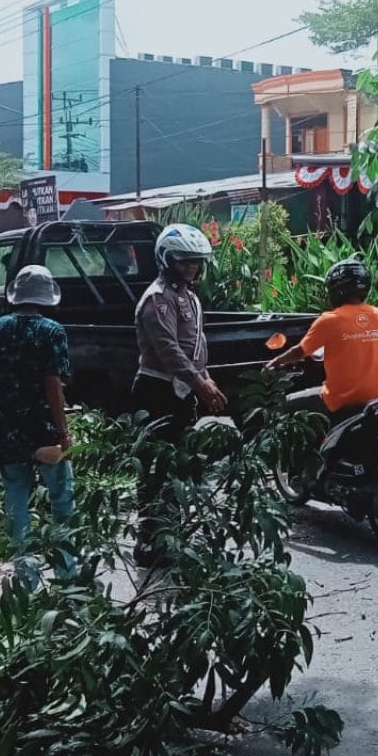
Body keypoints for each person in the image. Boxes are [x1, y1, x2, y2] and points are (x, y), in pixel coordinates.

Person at [131, 223, 228, 563]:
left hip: (182, 390)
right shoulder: (158, 298)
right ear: (166, 259)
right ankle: (149, 541)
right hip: (157, 389)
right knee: (155, 468)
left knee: (178, 466)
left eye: (196, 261)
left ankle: (170, 536)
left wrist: (205, 378)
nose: (191, 267)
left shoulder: (188, 296)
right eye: (184, 260)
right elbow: (168, 350)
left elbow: (194, 344)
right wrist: (200, 383)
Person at [0, 265, 74, 588]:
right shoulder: (52, 331)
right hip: (45, 429)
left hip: (8, 429)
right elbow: (53, 384)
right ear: (46, 298)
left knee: (16, 500)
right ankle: (67, 576)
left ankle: (26, 578)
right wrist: (64, 432)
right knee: (61, 499)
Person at [263, 258, 378, 422]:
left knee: (284, 404)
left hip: (340, 400)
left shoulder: (329, 320)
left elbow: (299, 352)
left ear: (336, 291)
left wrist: (275, 362)